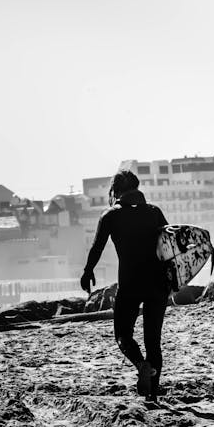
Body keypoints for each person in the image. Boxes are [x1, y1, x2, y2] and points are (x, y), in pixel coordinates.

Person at [81, 170, 169, 401]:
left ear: (116, 191)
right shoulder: (154, 212)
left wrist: (87, 272)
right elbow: (170, 245)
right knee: (154, 342)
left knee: (123, 334)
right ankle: (153, 395)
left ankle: (140, 365)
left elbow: (97, 247)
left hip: (130, 283)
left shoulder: (111, 215)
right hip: (157, 284)